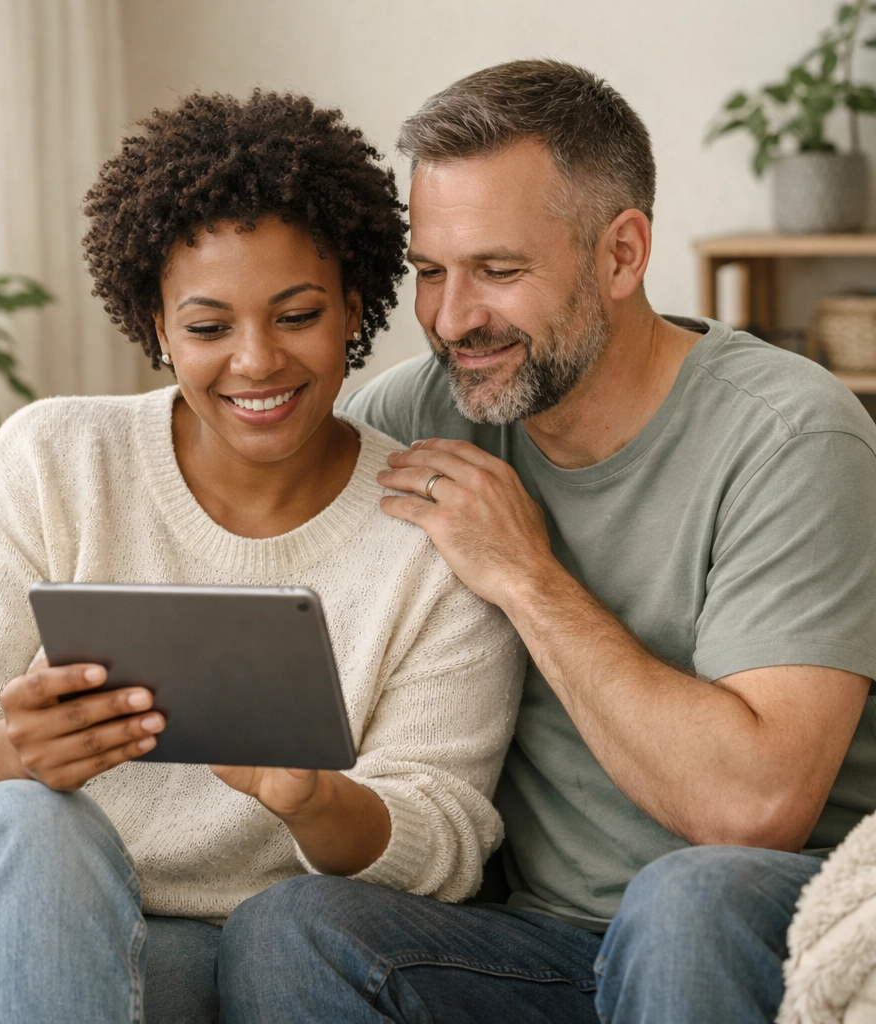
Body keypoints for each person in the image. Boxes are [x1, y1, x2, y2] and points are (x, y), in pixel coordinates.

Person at [217, 60, 876, 1023]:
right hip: (539, 942)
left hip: (750, 916)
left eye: (499, 271)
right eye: (431, 274)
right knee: (292, 926)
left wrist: (524, 574)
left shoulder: (790, 437)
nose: (452, 320)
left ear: (621, 254)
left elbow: (753, 812)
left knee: (684, 896)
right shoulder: (417, 413)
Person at [0, 91, 524, 1024]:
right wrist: (15, 754)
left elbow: (443, 834)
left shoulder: (429, 529)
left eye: (296, 316)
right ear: (159, 330)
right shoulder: (57, 456)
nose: (256, 362)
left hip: (181, 947)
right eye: (208, 328)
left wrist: (315, 800)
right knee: (34, 820)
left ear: (354, 311)